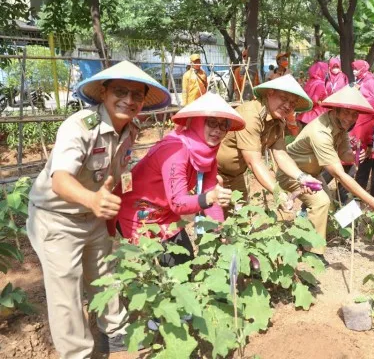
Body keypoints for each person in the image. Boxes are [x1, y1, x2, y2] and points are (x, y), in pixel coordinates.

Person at [26, 61, 171, 357]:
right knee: (66, 290)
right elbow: (60, 179)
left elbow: (115, 177)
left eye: (137, 95)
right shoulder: (80, 126)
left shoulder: (131, 130)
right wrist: (93, 200)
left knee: (105, 273)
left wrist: (110, 217)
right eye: (120, 91)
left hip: (93, 215)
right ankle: (78, 353)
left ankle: (116, 332)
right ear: (104, 93)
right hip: (56, 218)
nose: (129, 100)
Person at [109, 94, 245, 266]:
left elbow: (211, 195)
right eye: (211, 122)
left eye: (224, 125)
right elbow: (179, 203)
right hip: (136, 214)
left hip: (164, 214)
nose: (218, 130)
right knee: (145, 276)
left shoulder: (208, 156)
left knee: (183, 266)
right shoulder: (176, 150)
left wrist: (220, 231)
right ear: (196, 122)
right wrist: (210, 198)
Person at [277, 85, 374, 260]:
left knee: (329, 205)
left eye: (354, 114)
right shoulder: (321, 132)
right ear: (336, 110)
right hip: (292, 173)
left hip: (313, 175)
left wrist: (356, 155)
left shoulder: (339, 126)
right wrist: (372, 201)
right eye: (345, 112)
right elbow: (340, 175)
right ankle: (313, 253)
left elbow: (344, 154)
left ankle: (303, 231)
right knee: (321, 202)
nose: (350, 118)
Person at [217, 74, 321, 202]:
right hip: (213, 173)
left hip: (236, 176)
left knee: (240, 219)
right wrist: (278, 193)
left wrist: (302, 177)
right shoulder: (251, 116)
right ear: (269, 93)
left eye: (293, 104)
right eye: (284, 98)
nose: (288, 106)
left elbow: (281, 154)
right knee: (210, 218)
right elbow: (253, 162)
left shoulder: (278, 122)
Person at [297, 61, 329, 127]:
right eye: (325, 71)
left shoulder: (310, 82)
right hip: (315, 114)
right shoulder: (320, 84)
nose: (326, 73)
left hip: (306, 113)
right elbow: (314, 100)